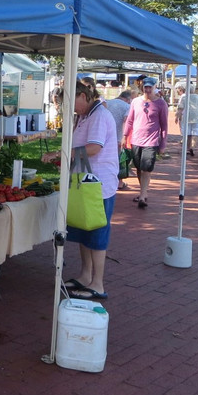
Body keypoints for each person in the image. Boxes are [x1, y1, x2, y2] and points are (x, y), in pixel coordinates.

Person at [61, 80, 119, 299]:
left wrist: (66, 154)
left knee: (96, 233)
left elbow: (94, 147)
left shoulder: (99, 116)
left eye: (71, 100)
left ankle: (98, 283)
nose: (69, 105)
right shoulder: (85, 116)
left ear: (83, 96)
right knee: (85, 230)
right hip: (84, 183)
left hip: (98, 186)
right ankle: (85, 276)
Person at [123, 76, 168, 209]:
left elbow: (164, 126)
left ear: (155, 88)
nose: (147, 90)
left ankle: (143, 196)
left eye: (150, 87)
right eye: (145, 87)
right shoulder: (136, 101)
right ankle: (143, 191)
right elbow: (130, 120)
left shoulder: (161, 104)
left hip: (151, 141)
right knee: (138, 167)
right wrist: (124, 136)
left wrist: (163, 144)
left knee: (146, 168)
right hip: (136, 140)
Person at [104, 89, 133, 189]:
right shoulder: (127, 106)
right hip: (118, 137)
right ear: (128, 99)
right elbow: (127, 121)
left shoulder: (107, 103)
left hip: (103, 137)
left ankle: (106, 180)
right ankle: (119, 182)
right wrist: (125, 137)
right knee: (119, 161)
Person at [174, 83, 198, 157]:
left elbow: (180, 108)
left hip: (186, 117)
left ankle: (187, 148)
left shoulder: (183, 97)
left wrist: (177, 116)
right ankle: (192, 147)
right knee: (195, 133)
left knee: (187, 134)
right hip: (196, 117)